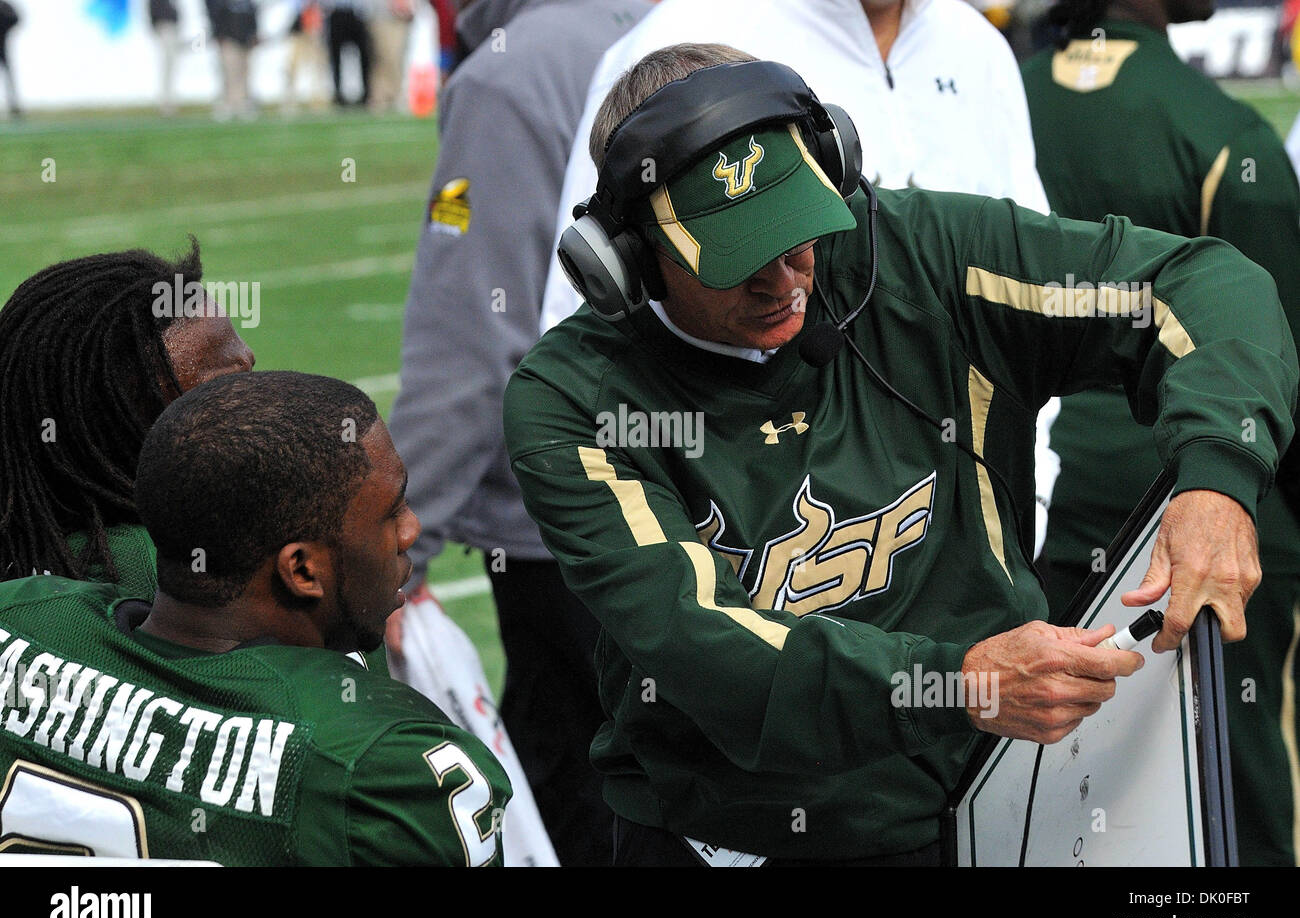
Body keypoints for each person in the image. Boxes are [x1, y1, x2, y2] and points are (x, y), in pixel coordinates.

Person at [503, 44, 1297, 864]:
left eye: (796, 230)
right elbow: (713, 655)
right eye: (738, 259)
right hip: (727, 841)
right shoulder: (572, 400)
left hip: (986, 809)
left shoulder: (924, 253)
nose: (784, 279)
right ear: (628, 260)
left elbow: (1202, 283)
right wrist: (959, 683)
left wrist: (1216, 478)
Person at [536, 0, 1066, 556]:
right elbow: (598, 291)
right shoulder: (683, 35)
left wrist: (1031, 482)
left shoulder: (975, 41)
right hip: (768, 555)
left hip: (986, 523)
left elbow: (1025, 292)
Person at [0, 371, 512, 865]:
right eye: (391, 512)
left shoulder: (18, 616)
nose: (412, 530)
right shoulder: (381, 766)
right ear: (303, 570)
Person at [1022, 0, 1300, 866]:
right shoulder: (1225, 134)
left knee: (1045, 802)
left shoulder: (1004, 91)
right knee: (1230, 800)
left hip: (1024, 499)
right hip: (1212, 505)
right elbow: (1278, 357)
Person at [387, 0, 650, 866]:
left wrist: (395, 548)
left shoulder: (510, 71)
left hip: (576, 528)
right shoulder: (681, 20)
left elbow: (472, 340)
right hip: (749, 500)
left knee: (580, 812)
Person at [0, 242, 254, 596]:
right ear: (117, 421)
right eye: (225, 390)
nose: (256, 401)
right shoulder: (159, 576)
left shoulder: (28, 531)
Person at [325, 0, 374, 107]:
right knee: (335, 57)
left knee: (365, 56)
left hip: (357, 14)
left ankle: (366, 94)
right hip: (336, 12)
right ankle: (338, 94)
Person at [150, 0, 181, 116]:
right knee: (167, 66)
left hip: (171, 26)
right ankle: (166, 103)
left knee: (171, 66)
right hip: (165, 26)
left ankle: (169, 101)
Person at [0, 0, 19, 119]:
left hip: (2, 46)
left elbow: (15, 19)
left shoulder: (4, 7)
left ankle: (14, 108)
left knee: (9, 79)